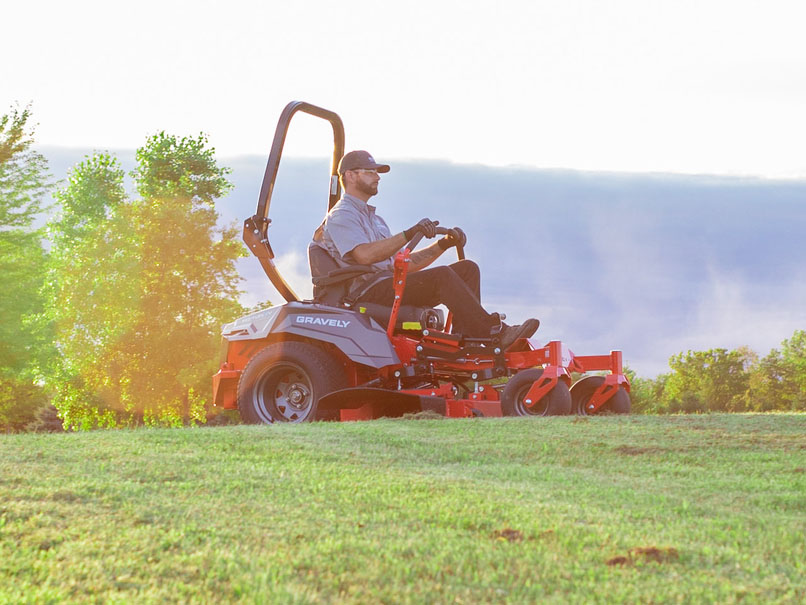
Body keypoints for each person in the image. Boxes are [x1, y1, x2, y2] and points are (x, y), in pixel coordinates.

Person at [310, 150, 539, 350]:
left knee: (467, 269)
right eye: (370, 171)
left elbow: (402, 263)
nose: (377, 176)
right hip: (366, 291)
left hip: (387, 282)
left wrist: (442, 245)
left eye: (377, 172)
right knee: (442, 277)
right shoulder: (341, 215)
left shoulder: (375, 219)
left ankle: (468, 340)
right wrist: (409, 234)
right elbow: (364, 255)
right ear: (350, 175)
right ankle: (495, 333)